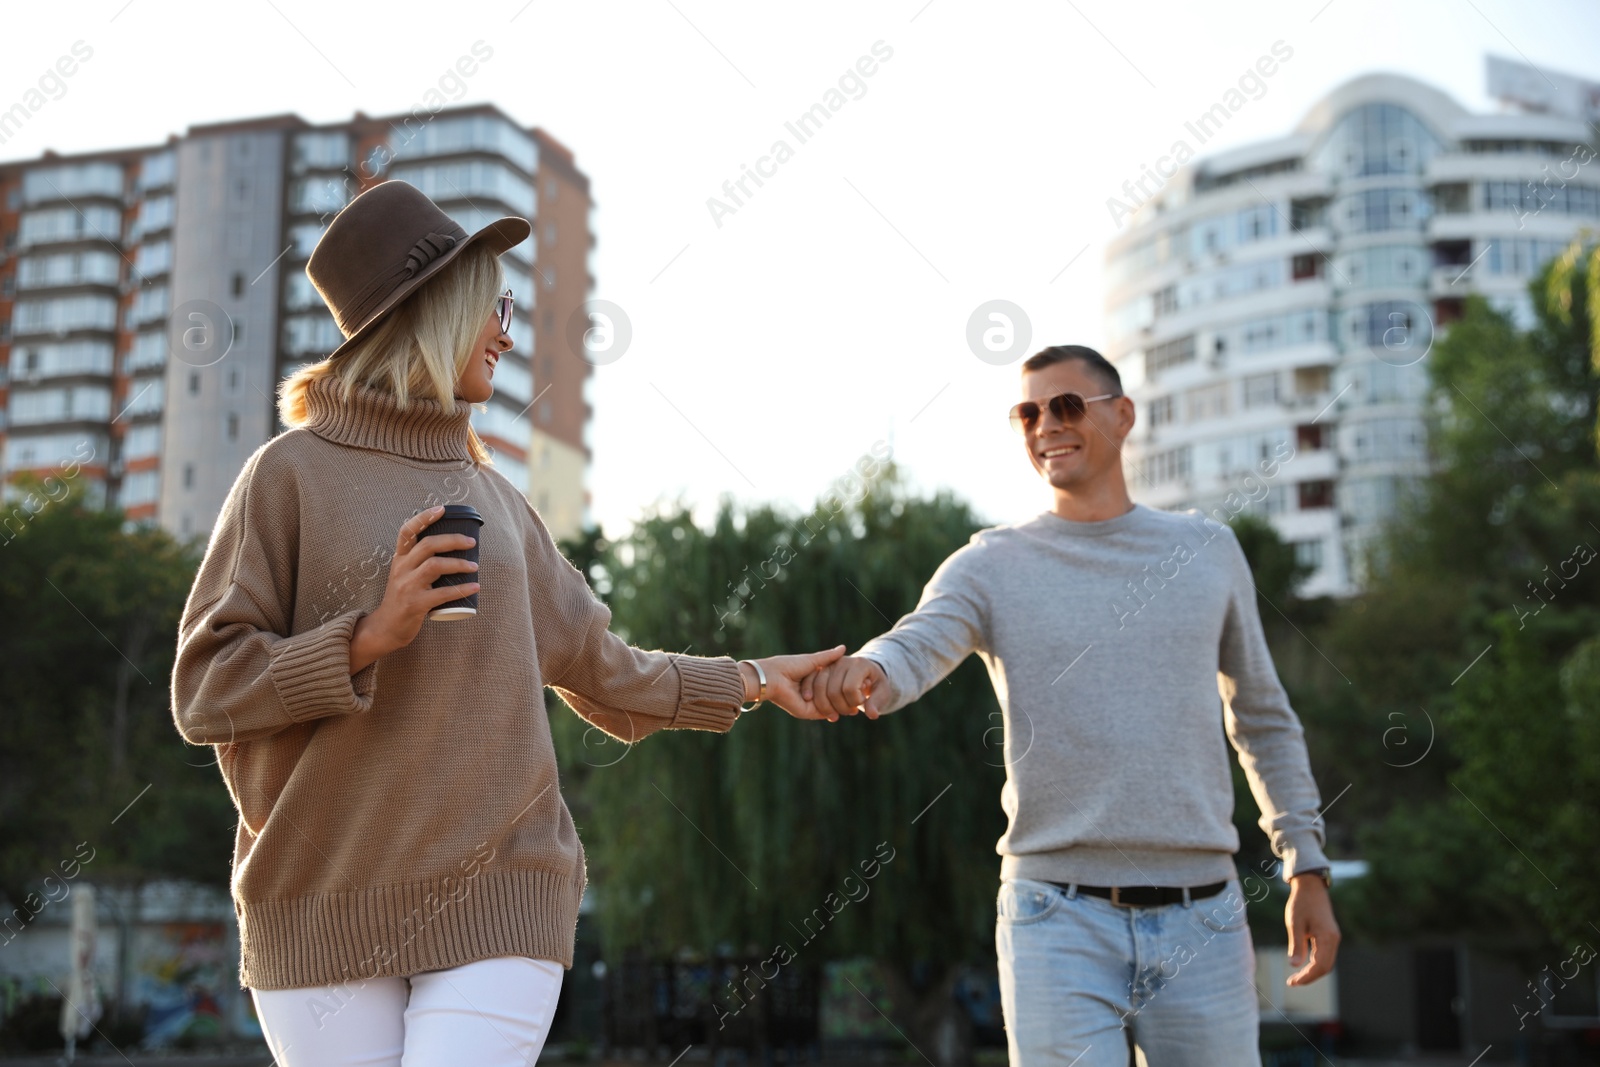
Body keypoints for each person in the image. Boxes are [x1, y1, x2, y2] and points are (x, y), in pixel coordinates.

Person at [169, 180, 842, 1067]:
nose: (507, 332)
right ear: (434, 312)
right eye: (496, 307)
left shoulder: (501, 505)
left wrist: (753, 678)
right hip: (317, 903)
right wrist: (369, 635)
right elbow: (204, 691)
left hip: (503, 892)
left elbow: (606, 668)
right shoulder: (285, 477)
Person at [801, 344, 1340, 1066]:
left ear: (1122, 416)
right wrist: (868, 669)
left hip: (1204, 919)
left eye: (1066, 405)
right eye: (1028, 411)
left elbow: (1263, 717)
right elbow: (914, 643)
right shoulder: (991, 563)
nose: (1045, 425)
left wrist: (1305, 863)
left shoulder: (1209, 550)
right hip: (1054, 919)